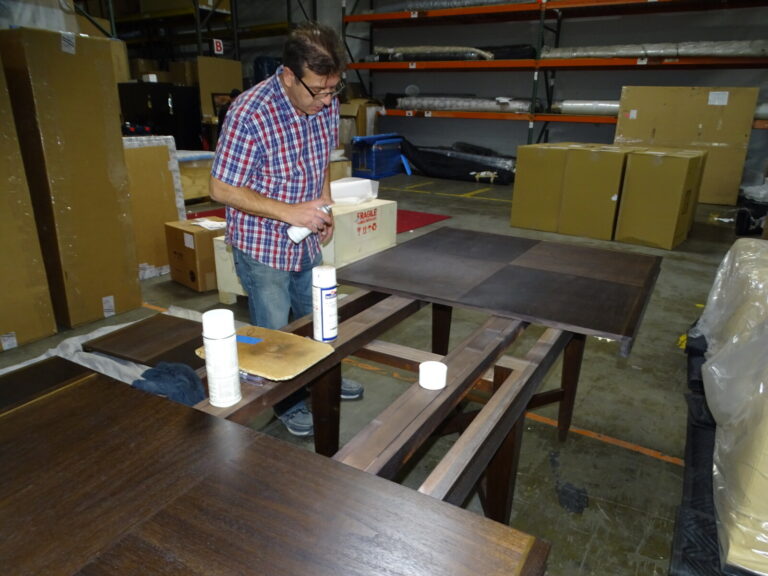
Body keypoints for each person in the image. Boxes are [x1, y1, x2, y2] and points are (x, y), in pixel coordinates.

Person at [209, 21, 362, 437]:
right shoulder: (250, 112)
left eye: (335, 89)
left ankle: (319, 379)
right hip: (262, 248)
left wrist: (323, 206)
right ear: (289, 76)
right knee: (274, 332)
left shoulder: (323, 100)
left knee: (315, 319)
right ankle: (285, 401)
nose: (328, 100)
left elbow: (323, 160)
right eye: (319, 90)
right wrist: (291, 212)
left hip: (304, 240)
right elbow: (220, 187)